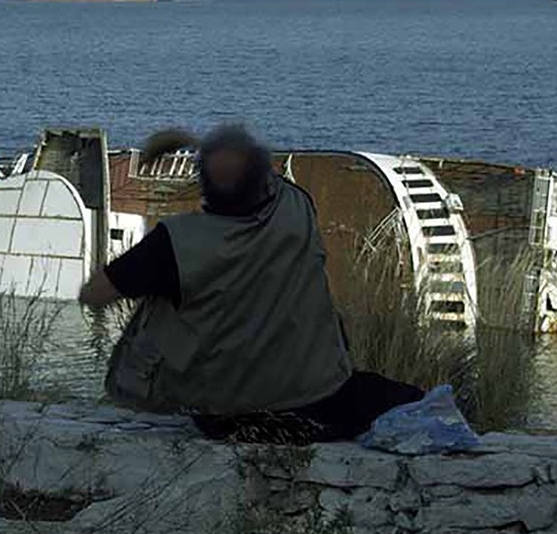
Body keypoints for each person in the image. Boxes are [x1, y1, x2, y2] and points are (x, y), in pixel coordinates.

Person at [79, 124, 423, 444]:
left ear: (205, 185)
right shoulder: (297, 208)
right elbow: (272, 185)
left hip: (225, 418)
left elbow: (94, 295)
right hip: (321, 403)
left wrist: (162, 283)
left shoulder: (175, 244)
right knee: (404, 398)